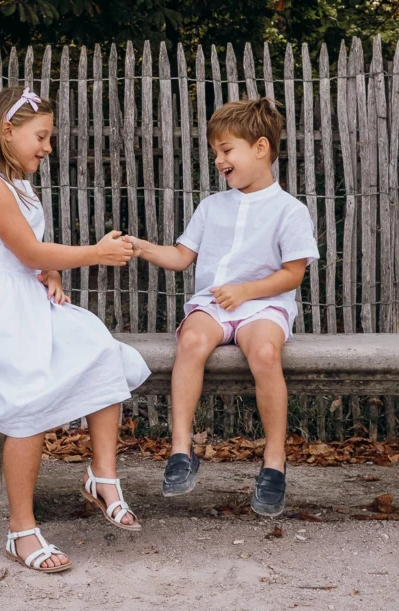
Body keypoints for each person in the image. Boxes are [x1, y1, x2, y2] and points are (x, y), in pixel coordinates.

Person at [0, 86, 150, 573]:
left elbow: (25, 252)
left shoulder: (19, 185)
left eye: (50, 138)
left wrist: (49, 272)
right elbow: (25, 250)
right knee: (28, 396)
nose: (48, 147)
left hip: (22, 296)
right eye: (42, 136)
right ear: (7, 131)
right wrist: (94, 253)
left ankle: (103, 475)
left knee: (100, 349)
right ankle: (21, 530)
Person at [128, 98, 319, 516]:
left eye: (227, 149)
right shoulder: (211, 207)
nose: (218, 159)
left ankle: (274, 460)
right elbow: (182, 257)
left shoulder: (290, 211)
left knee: (265, 352)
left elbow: (293, 274)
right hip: (214, 305)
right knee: (192, 341)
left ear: (261, 148)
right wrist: (141, 247)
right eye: (215, 151)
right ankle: (181, 449)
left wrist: (247, 291)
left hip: (263, 307)